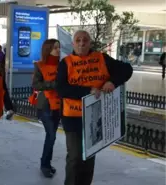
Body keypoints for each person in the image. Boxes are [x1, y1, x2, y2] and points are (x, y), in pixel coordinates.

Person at [56, 30, 133, 185]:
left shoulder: (101, 58)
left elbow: (127, 69)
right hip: (72, 117)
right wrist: (88, 91)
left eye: (85, 40)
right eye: (78, 40)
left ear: (90, 43)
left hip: (96, 115)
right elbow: (61, 89)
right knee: (75, 156)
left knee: (89, 155)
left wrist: (112, 81)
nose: (81, 43)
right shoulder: (66, 63)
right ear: (73, 44)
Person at [32, 39, 61, 178]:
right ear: (48, 49)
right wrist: (53, 85)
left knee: (51, 136)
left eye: (59, 47)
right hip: (45, 106)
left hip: (58, 105)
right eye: (55, 47)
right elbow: (36, 84)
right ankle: (44, 164)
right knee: (52, 135)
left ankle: (47, 163)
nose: (58, 50)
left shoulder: (62, 66)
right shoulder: (40, 65)